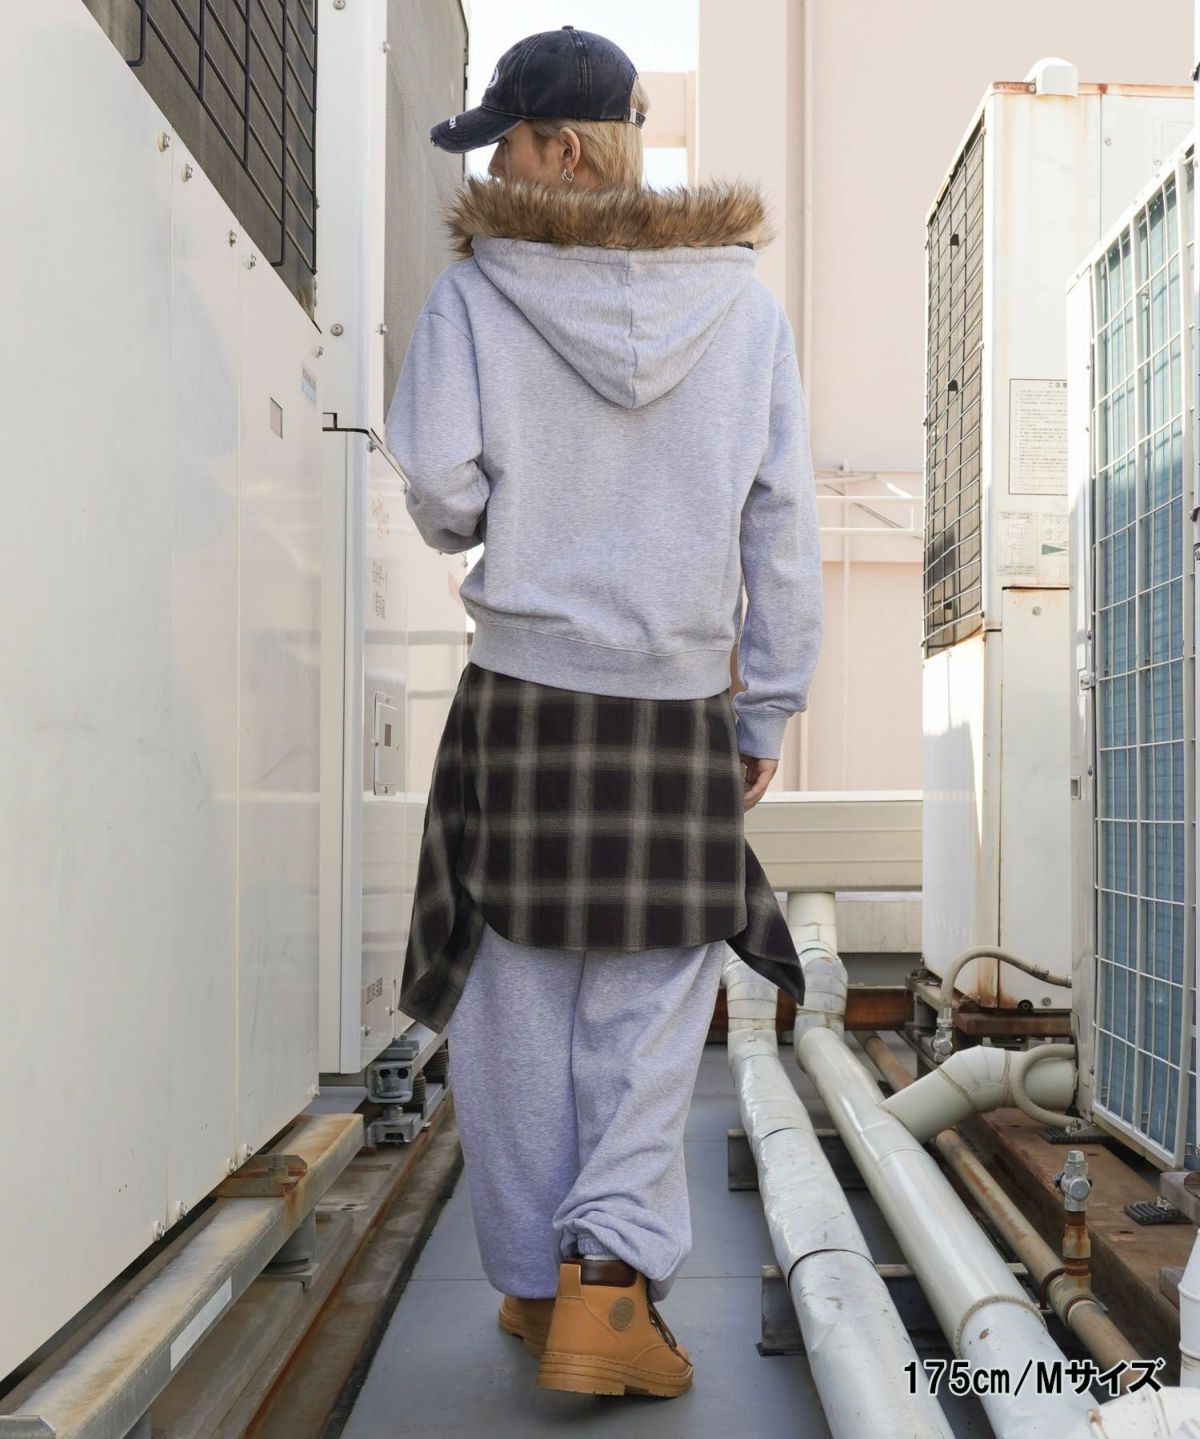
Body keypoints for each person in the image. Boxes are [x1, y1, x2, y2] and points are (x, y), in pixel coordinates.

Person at [385, 25, 823, 1401]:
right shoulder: (743, 312)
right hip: (674, 709)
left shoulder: (475, 297)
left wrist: (501, 513)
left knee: (510, 996)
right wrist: (768, 709)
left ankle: (535, 1284)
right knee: (649, 1007)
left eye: (505, 142)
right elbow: (783, 532)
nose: (494, 169)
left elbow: (440, 486)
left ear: (564, 148)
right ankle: (608, 1293)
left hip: (521, 703)